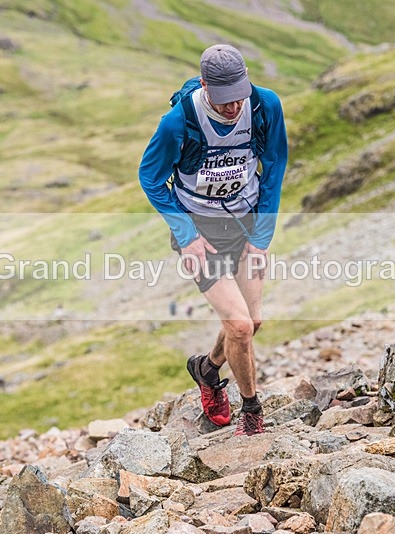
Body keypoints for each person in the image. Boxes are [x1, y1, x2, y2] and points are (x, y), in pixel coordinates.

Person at [139, 44, 288, 436]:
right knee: (238, 326)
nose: (233, 107)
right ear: (204, 85)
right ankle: (252, 412)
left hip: (247, 225)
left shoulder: (264, 107)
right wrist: (185, 236)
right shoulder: (178, 122)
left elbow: (273, 167)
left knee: (252, 323)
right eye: (223, 101)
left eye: (238, 97)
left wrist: (262, 234)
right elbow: (150, 178)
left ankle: (207, 369)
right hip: (200, 234)